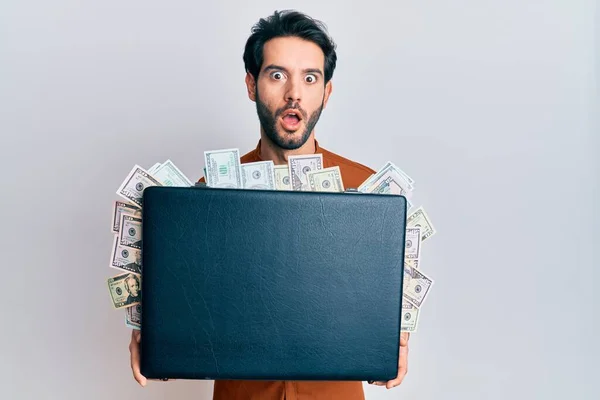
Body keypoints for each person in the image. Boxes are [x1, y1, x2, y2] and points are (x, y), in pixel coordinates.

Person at [128, 9, 410, 399]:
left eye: (310, 78)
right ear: (251, 84)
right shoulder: (205, 196)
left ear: (326, 92)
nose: (294, 92)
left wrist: (395, 337)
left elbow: (387, 300)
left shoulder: (369, 191)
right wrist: (154, 331)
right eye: (277, 75)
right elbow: (184, 303)